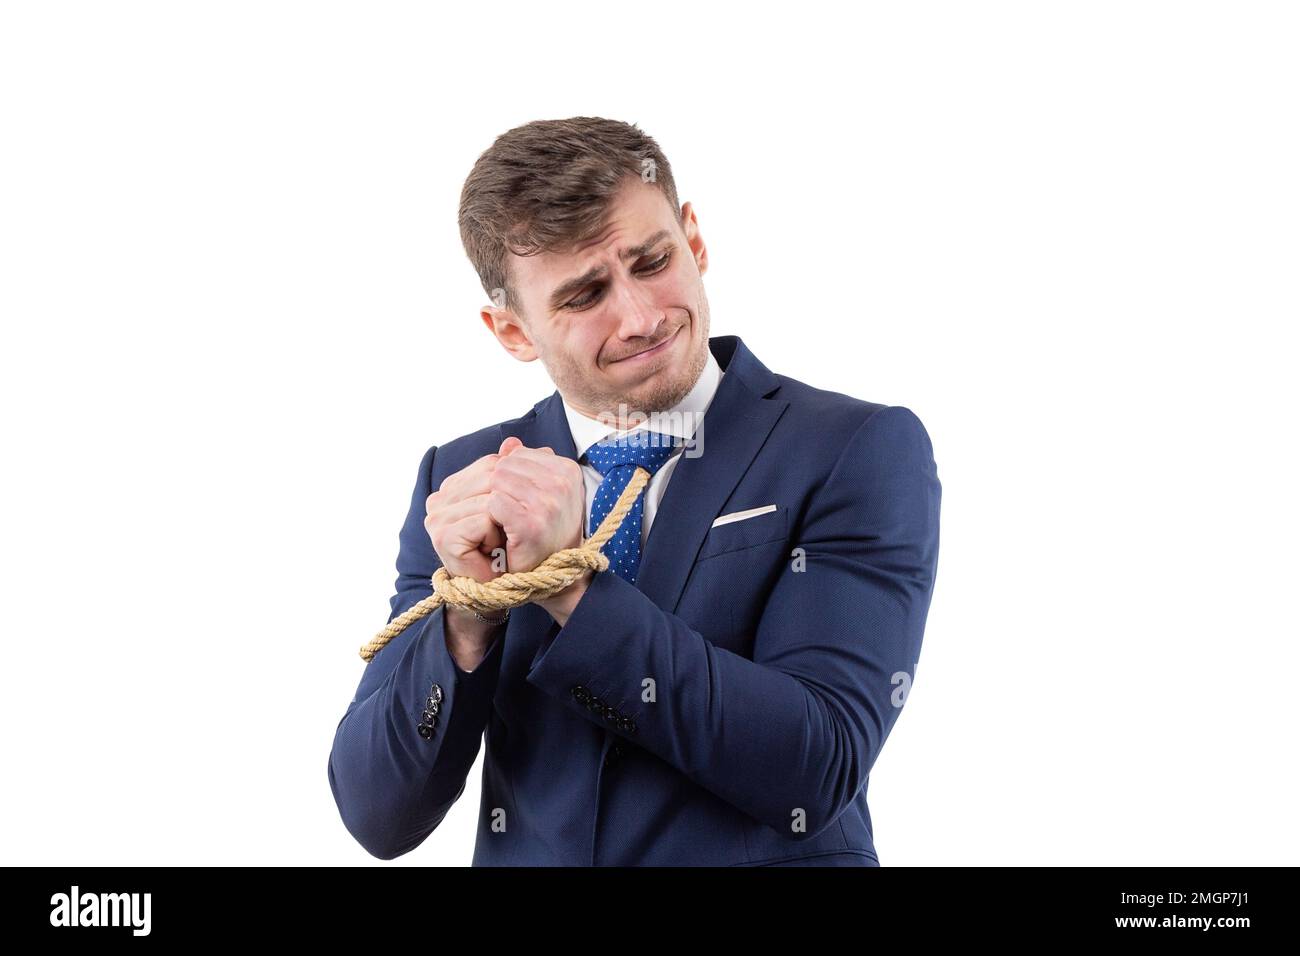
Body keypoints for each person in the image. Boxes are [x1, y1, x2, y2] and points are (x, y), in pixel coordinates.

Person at [327, 116, 942, 865]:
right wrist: (465, 624)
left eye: (651, 261)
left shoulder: (853, 450)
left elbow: (816, 769)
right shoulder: (462, 478)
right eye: (585, 295)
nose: (642, 316)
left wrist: (570, 591)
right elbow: (376, 817)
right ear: (512, 332)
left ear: (695, 239)